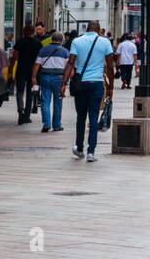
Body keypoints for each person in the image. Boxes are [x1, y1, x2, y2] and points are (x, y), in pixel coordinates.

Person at [64, 22, 113, 162]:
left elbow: (70, 63)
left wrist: (63, 82)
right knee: (93, 119)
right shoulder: (105, 42)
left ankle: (79, 148)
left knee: (80, 117)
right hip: (96, 84)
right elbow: (110, 67)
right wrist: (110, 88)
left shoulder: (77, 41)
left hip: (80, 85)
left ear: (87, 29)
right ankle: (91, 152)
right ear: (98, 30)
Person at [33, 31, 69, 132]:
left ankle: (46, 124)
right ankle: (57, 125)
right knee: (58, 102)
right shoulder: (65, 52)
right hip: (59, 79)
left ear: (52, 39)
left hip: (45, 78)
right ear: (61, 41)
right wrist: (66, 81)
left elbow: (36, 64)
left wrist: (33, 77)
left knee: (45, 101)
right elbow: (68, 68)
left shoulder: (43, 50)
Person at [11, 24, 42, 125]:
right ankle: (27, 116)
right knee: (30, 93)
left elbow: (14, 57)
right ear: (33, 32)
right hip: (32, 71)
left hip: (21, 70)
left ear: (24, 32)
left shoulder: (20, 41)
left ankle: (20, 110)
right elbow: (40, 59)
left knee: (19, 92)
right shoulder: (38, 43)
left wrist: (11, 68)